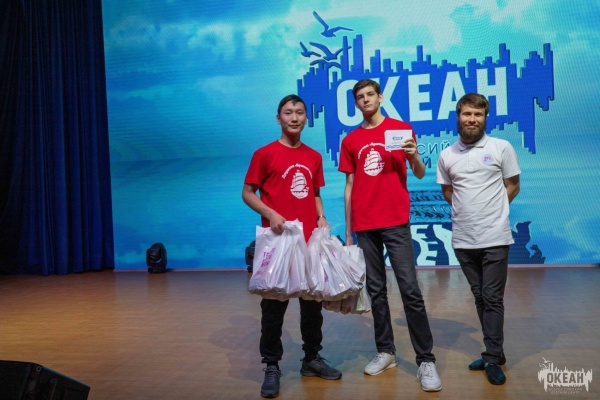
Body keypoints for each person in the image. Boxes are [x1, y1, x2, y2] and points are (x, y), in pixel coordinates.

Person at [338, 79, 442, 392]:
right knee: (376, 290)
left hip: (395, 221)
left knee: (410, 289)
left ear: (380, 97)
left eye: (370, 94)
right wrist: (348, 233)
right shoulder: (351, 140)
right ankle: (386, 352)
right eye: (360, 97)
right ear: (356, 103)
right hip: (364, 224)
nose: (365, 100)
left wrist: (414, 154)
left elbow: (420, 172)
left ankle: (426, 360)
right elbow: (349, 187)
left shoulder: (401, 130)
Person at [242, 94, 342, 398]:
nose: (294, 117)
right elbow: (248, 192)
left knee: (312, 304)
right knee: (273, 306)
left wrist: (321, 217)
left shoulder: (313, 156)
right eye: (288, 112)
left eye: (299, 112)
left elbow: (314, 194)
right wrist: (270, 213)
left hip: (309, 240)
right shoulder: (264, 154)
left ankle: (311, 358)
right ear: (278, 118)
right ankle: (272, 365)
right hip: (278, 240)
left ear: (306, 119)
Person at [436, 93, 521, 385]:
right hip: (463, 240)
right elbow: (448, 191)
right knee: (480, 297)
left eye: (478, 114)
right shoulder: (447, 155)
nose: (472, 119)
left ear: (485, 118)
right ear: (458, 117)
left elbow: (513, 185)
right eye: (467, 114)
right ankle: (495, 352)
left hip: (495, 237)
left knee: (492, 298)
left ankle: (491, 356)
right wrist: (468, 214)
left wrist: (492, 212)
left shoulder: (501, 147)